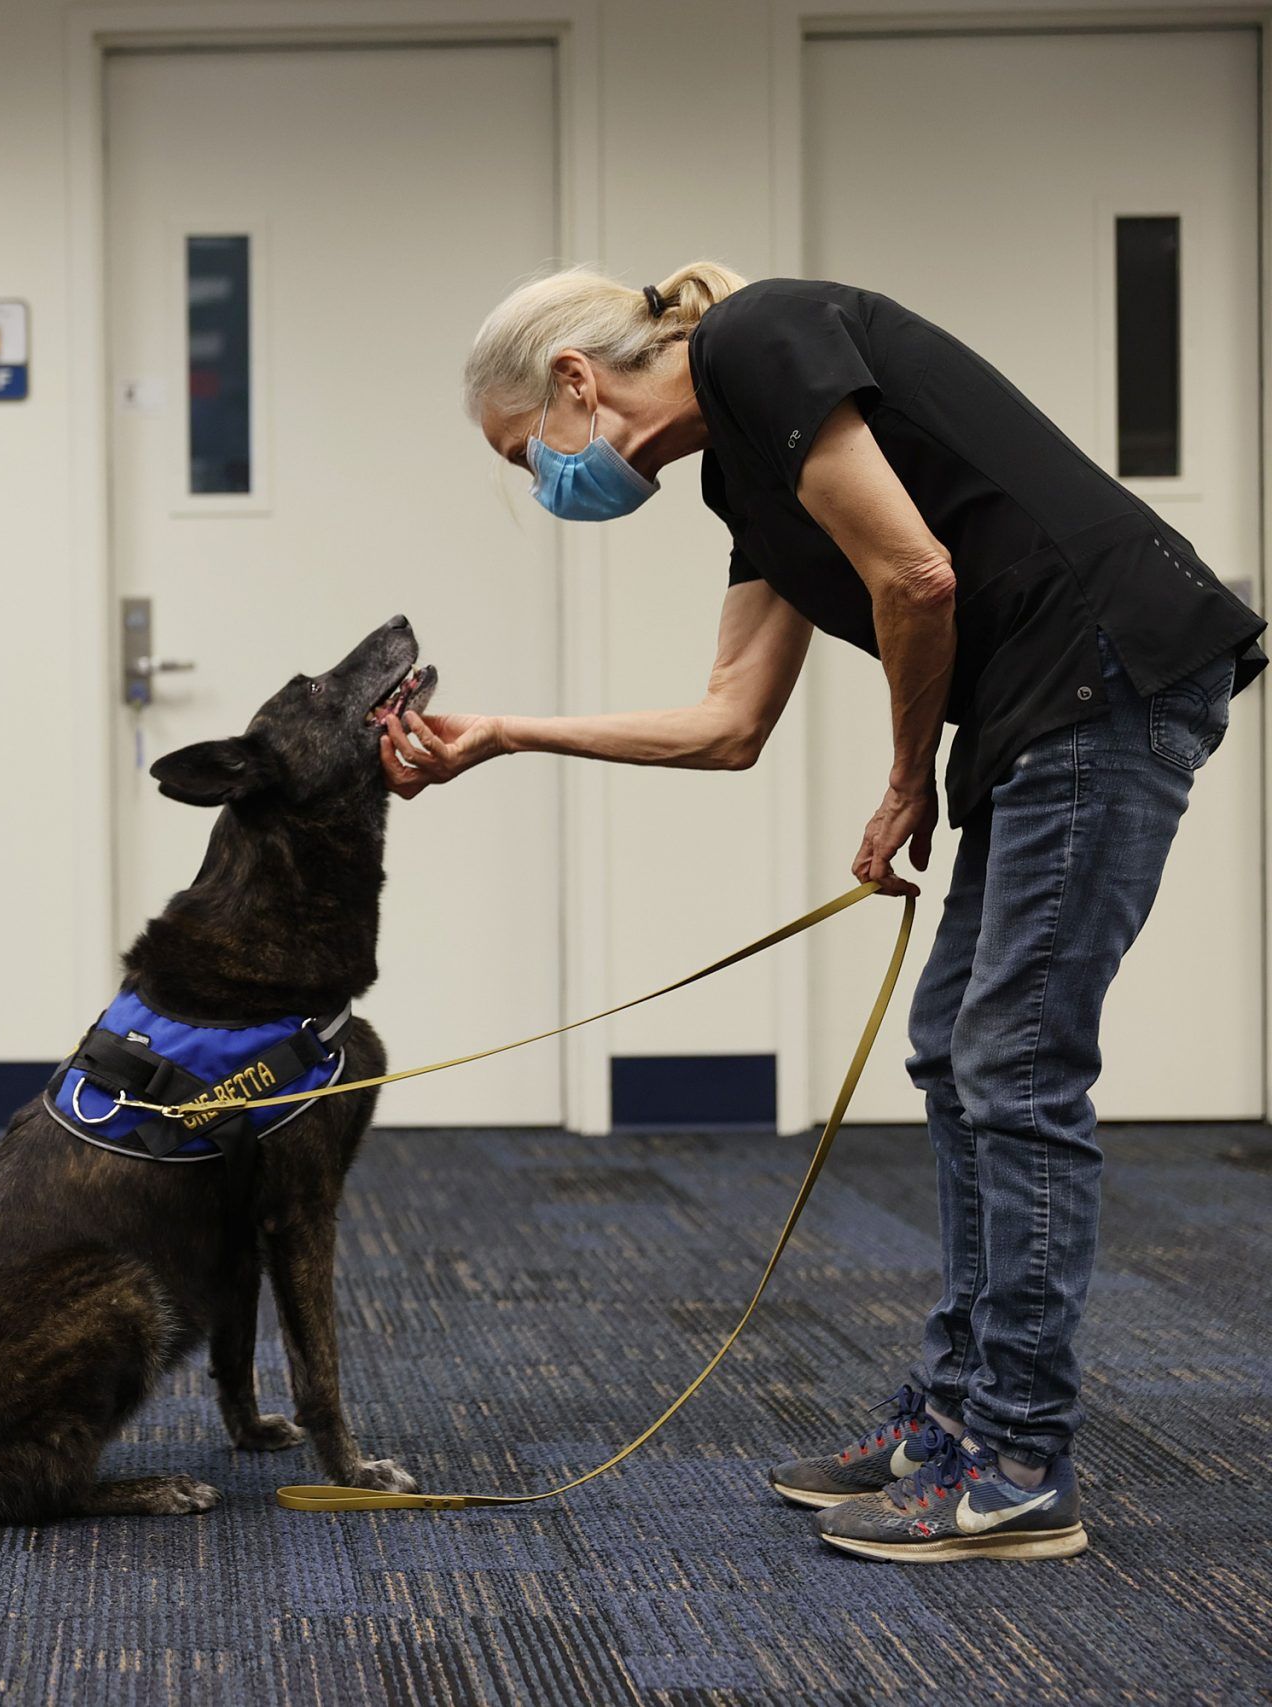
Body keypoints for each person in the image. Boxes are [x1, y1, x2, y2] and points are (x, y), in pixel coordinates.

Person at [385, 262, 1264, 1562]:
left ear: (575, 383)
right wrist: (504, 732)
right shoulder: (745, 474)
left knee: (1014, 1060)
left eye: (530, 456)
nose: (545, 485)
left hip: (1109, 669)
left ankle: (1017, 1460)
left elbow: (916, 580)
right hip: (1047, 703)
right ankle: (957, 1425)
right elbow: (729, 722)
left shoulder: (762, 336)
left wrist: (907, 775)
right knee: (958, 1050)